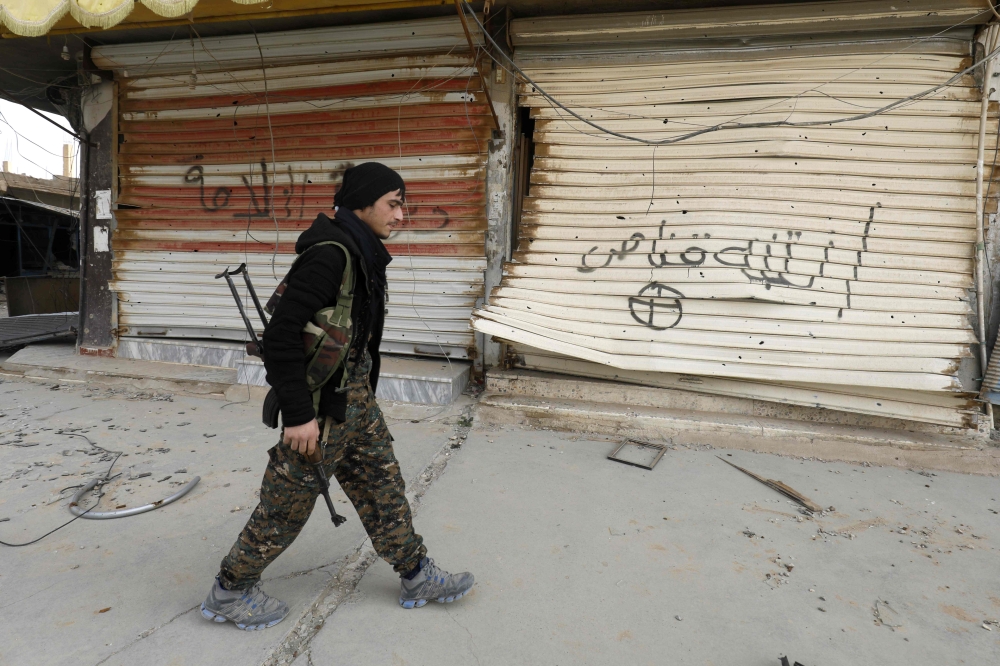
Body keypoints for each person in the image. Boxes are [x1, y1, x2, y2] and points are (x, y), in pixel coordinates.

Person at [199, 162, 474, 631]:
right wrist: (299, 416)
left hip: (356, 403)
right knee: (285, 507)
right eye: (394, 203)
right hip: (320, 413)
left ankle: (415, 574)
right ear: (362, 204)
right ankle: (229, 590)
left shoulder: (361, 250)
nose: (402, 215)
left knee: (383, 489)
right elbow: (283, 337)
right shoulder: (329, 256)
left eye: (402, 204)